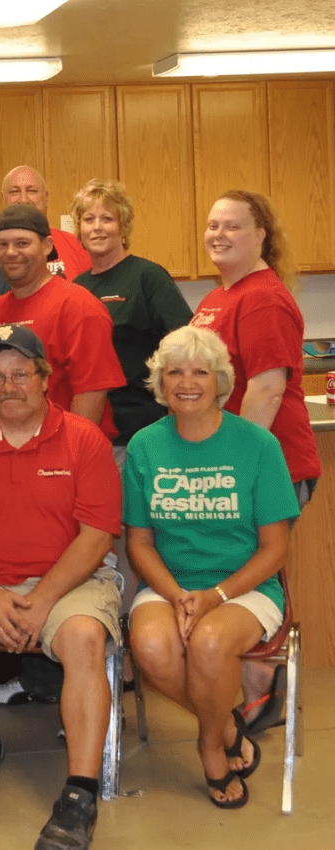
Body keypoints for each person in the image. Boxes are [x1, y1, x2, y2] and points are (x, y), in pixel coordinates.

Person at [0, 325, 121, 850]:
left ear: (43, 378)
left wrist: (43, 601)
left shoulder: (84, 439)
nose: (8, 387)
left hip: (70, 580)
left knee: (81, 638)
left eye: (19, 374)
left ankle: (80, 792)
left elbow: (97, 537)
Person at [124, 326, 297, 808]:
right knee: (152, 646)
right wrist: (178, 595)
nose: (187, 382)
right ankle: (224, 725)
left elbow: (274, 549)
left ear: (220, 380)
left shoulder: (258, 446)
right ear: (160, 383)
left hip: (246, 586)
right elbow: (138, 542)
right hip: (170, 583)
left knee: (209, 641)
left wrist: (215, 596)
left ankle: (208, 748)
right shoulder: (144, 446)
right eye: (174, 371)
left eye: (200, 371)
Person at [190, 189, 321, 732]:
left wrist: (235, 470)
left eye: (233, 226)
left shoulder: (263, 297)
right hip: (231, 462)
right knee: (234, 570)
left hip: (269, 466)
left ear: (261, 233)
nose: (218, 234)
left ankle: (264, 691)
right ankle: (245, 690)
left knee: (257, 572)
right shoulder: (223, 295)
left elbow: (265, 392)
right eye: (213, 225)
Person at [0, 205, 125, 434]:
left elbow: (92, 393)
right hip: (13, 450)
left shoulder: (79, 306)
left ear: (47, 246)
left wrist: (64, 455)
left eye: (22, 243)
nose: (10, 252)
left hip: (67, 453)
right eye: (2, 245)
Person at [71, 179, 192, 449]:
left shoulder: (147, 277)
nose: (98, 227)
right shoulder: (76, 288)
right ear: (79, 229)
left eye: (107, 219)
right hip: (91, 430)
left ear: (123, 227)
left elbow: (187, 344)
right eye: (89, 219)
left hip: (143, 430)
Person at [2, 165, 91, 282]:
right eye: (14, 192)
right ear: (3, 198)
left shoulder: (77, 245)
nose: (23, 199)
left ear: (46, 197)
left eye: (32, 191)